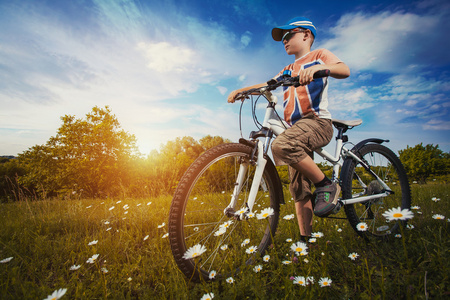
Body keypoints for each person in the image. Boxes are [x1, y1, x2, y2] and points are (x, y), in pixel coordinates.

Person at [227, 17, 350, 242]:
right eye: (281, 38)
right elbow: (266, 85)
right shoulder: (287, 70)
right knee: (298, 187)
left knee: (282, 145)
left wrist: (321, 69)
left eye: (288, 35)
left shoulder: (318, 55)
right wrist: (241, 90)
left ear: (306, 35)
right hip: (296, 130)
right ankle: (306, 242)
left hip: (317, 123)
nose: (284, 41)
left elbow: (344, 69)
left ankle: (326, 185)